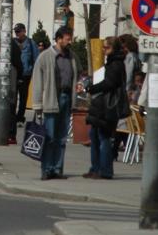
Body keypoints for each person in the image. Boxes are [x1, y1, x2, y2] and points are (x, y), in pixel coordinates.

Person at [32, 26, 79, 181]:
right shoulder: (45, 56)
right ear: (58, 39)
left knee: (62, 138)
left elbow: (76, 76)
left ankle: (57, 169)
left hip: (66, 98)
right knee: (50, 137)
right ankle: (46, 169)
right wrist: (37, 105)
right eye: (67, 39)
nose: (70, 41)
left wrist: (74, 99)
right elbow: (37, 82)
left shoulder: (71, 57)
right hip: (51, 99)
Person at [84, 36, 127, 180]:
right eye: (103, 47)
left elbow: (109, 83)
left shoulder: (116, 64)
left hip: (108, 106)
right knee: (95, 136)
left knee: (103, 137)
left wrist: (92, 88)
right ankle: (95, 168)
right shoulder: (112, 62)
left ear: (113, 48)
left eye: (106, 47)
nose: (104, 50)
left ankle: (105, 170)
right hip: (102, 105)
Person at [13, 23, 40, 125]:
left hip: (25, 74)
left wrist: (34, 71)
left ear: (24, 31)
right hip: (14, 73)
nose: (17, 33)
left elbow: (36, 59)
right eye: (16, 32)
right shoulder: (13, 42)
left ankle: (20, 117)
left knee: (23, 96)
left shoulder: (30, 43)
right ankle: (12, 116)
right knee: (13, 96)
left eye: (19, 31)